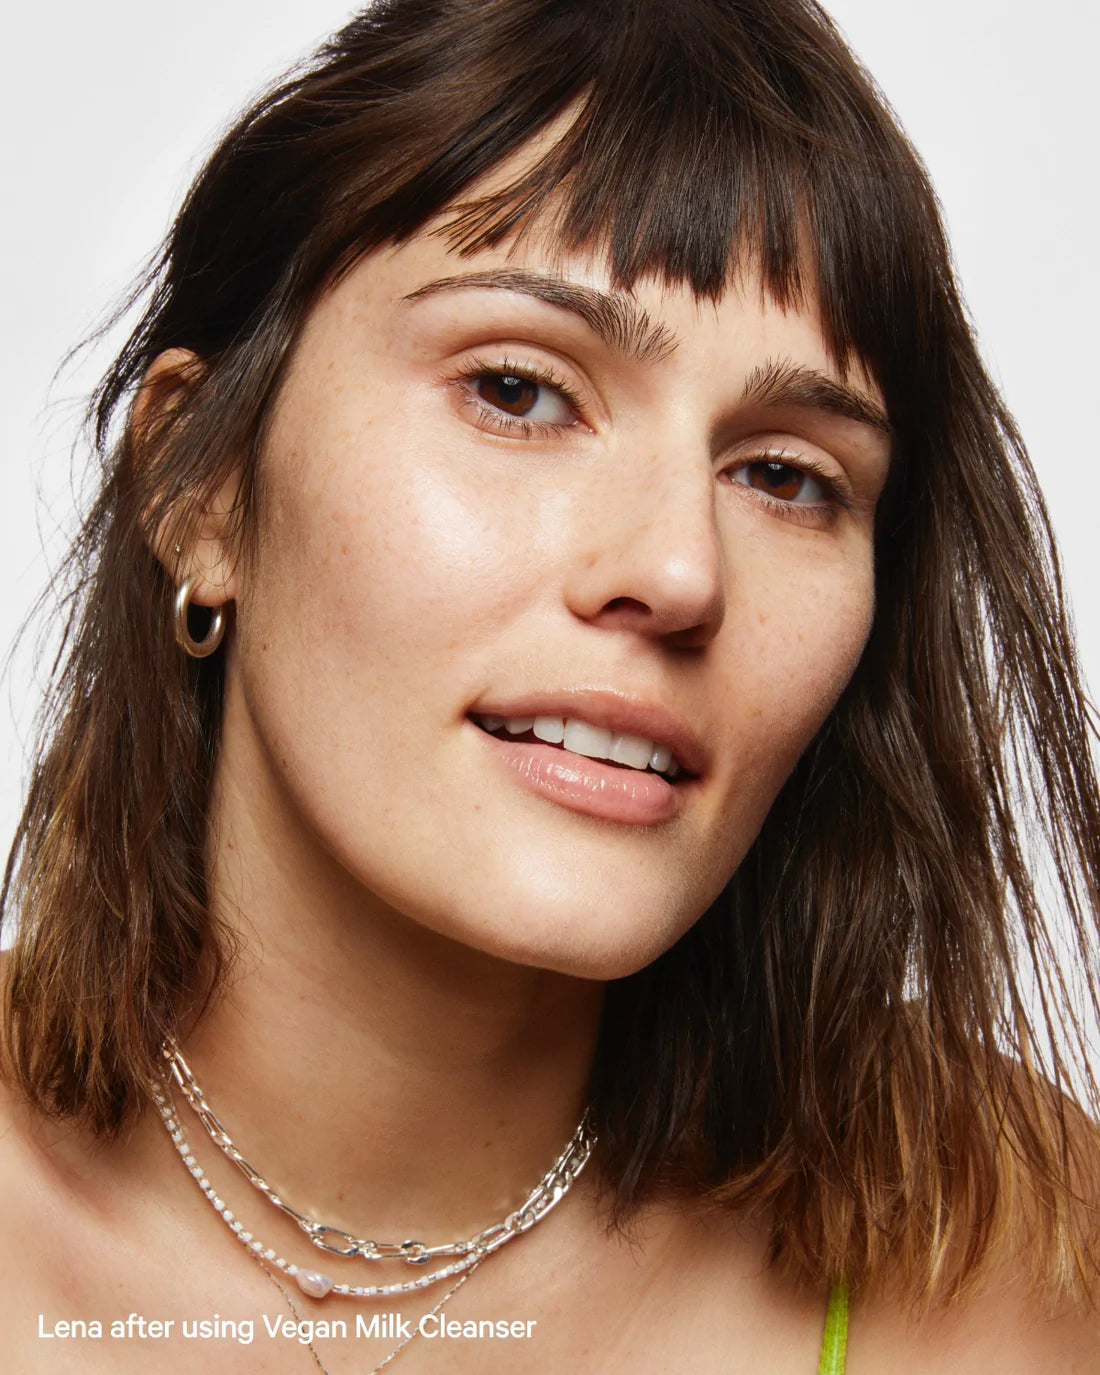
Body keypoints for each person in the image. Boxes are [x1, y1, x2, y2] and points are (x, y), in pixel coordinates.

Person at [1, 0, 1097, 1369]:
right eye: (519, 393)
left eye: (783, 475)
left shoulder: (1006, 1260)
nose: (680, 571)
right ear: (201, 485)